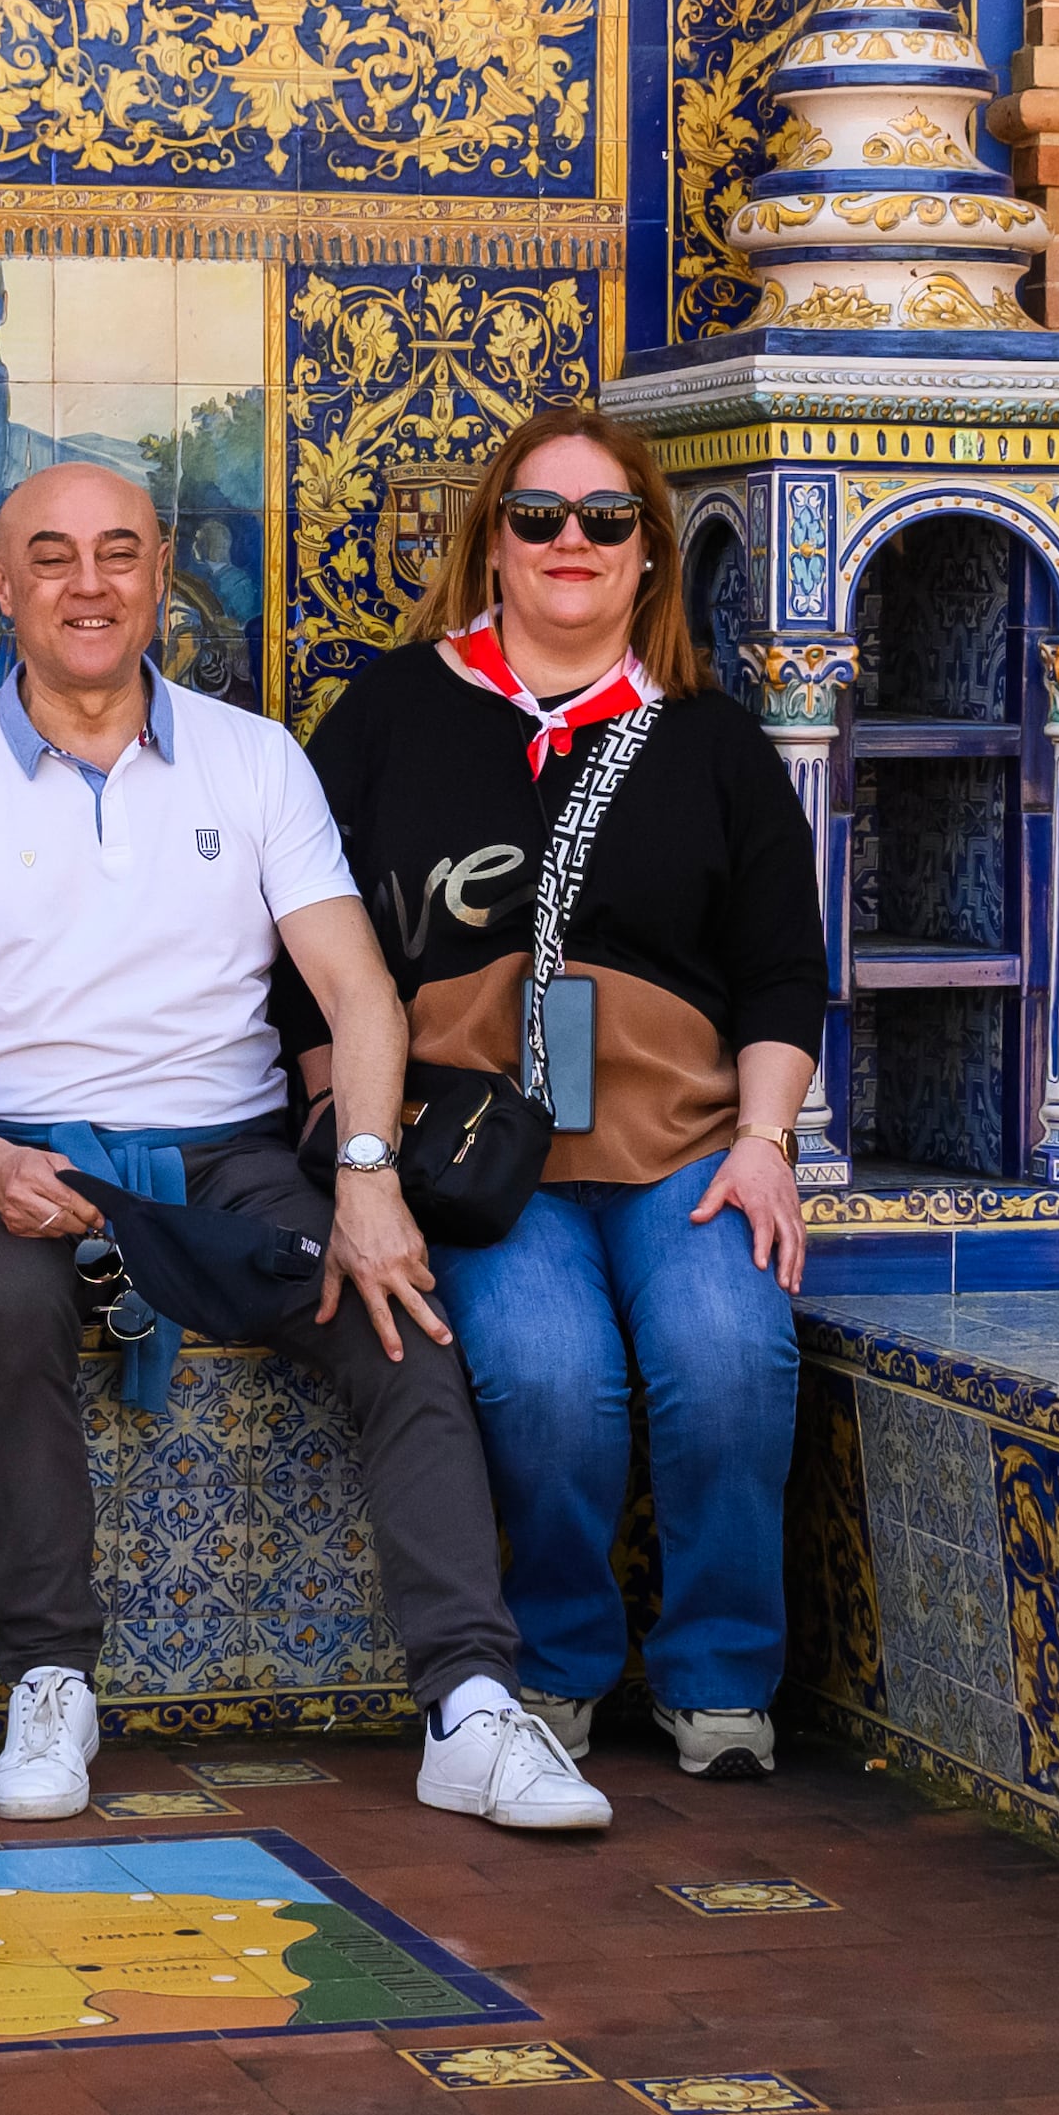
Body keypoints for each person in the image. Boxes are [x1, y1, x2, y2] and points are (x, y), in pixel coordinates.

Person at [0, 461, 610, 1833]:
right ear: (1, 588)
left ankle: (470, 1709)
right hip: (19, 1152)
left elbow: (360, 990)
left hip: (228, 1152)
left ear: (159, 580)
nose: (91, 584)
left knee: (397, 1315)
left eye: (121, 553)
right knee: (0, 1311)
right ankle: (50, 1682)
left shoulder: (255, 760)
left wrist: (367, 1173)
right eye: (56, 557)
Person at [297, 409, 825, 1781]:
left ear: (648, 553)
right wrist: (347, 1137)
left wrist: (767, 1143)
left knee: (726, 1355)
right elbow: (304, 947)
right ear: (492, 543)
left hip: (679, 1141)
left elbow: (780, 974)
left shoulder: (712, 741)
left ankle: (720, 1671)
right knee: (545, 1373)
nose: (570, 542)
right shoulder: (393, 713)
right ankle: (561, 1665)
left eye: (603, 519)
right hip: (477, 1147)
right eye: (538, 517)